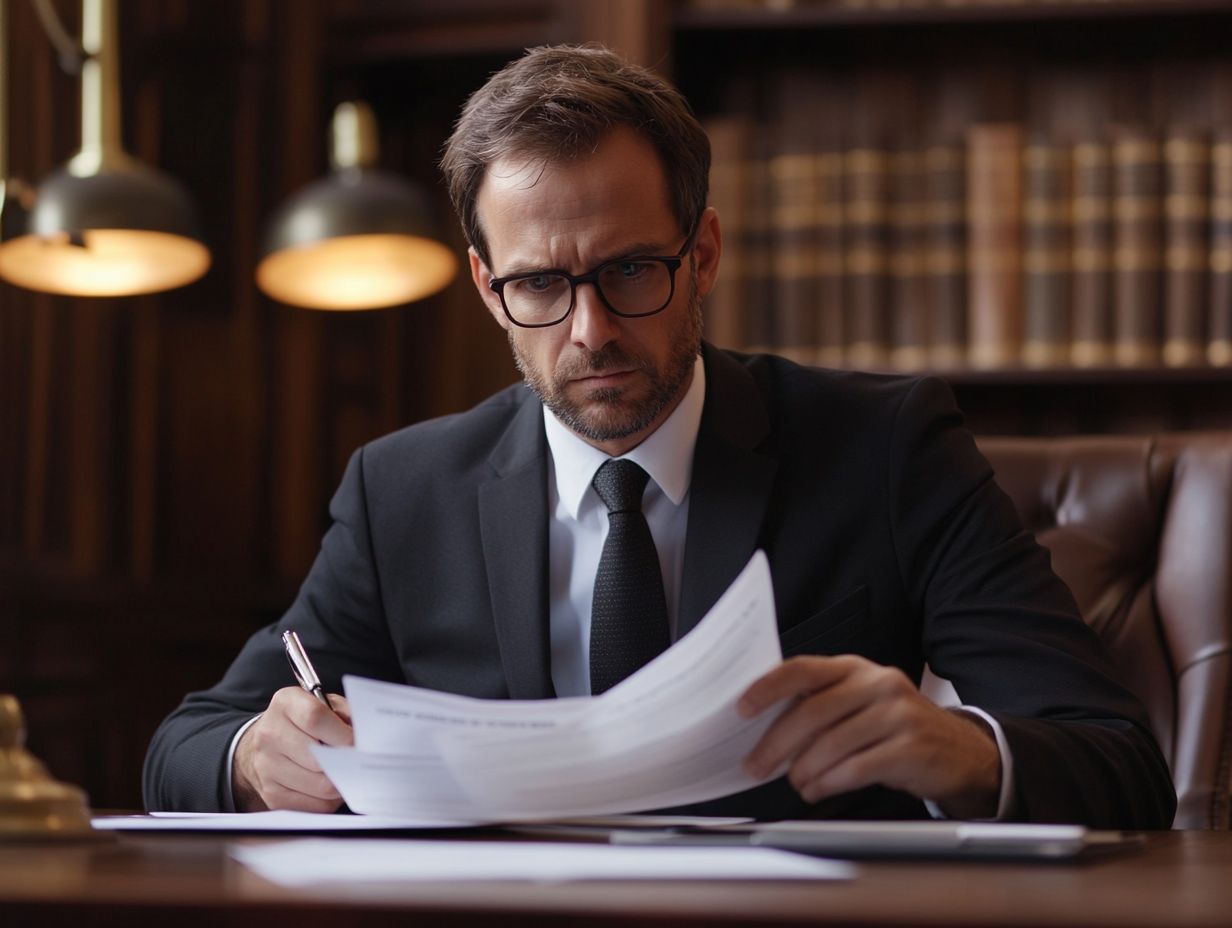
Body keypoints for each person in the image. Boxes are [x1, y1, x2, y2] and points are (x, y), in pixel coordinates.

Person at [144, 44, 1175, 827]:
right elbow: (183, 743)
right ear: (485, 290)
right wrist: (251, 754)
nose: (589, 331)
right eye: (540, 284)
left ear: (705, 251)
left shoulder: (884, 446)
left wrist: (963, 751)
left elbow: (1118, 762)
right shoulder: (402, 489)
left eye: (629, 271)